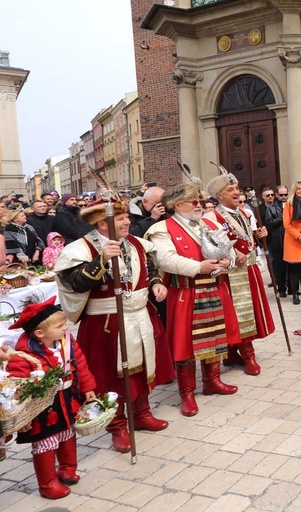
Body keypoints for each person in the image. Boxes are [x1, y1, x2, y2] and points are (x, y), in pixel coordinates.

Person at [54, 198, 174, 452]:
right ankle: (117, 425)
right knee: (110, 374)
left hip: (141, 314)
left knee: (142, 366)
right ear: (102, 223)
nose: (128, 222)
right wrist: (100, 260)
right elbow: (74, 284)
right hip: (106, 322)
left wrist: (155, 284)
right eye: (120, 219)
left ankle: (141, 413)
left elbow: (149, 268)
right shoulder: (79, 249)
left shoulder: (136, 243)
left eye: (127, 217)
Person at [145, 182, 240, 416]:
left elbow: (228, 249)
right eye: (194, 202)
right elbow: (165, 260)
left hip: (214, 288)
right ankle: (186, 393)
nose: (199, 206)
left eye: (200, 202)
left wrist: (230, 261)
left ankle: (212, 381)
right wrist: (199, 266)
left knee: (216, 336)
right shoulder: (162, 229)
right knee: (185, 344)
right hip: (186, 292)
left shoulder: (210, 222)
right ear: (177, 205)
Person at [6, 296, 97, 499]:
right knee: (45, 441)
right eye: (60, 326)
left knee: (67, 433)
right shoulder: (25, 354)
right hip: (42, 406)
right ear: (40, 333)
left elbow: (80, 363)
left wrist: (88, 386)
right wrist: (22, 415)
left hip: (67, 396)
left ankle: (67, 468)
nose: (66, 328)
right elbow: (17, 384)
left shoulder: (67, 342)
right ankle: (47, 484)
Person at [205, 173, 275, 376]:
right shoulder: (212, 218)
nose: (236, 193)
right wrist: (233, 255)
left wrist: (259, 235)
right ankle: (246, 354)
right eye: (230, 190)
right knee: (239, 314)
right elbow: (213, 245)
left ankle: (232, 351)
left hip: (249, 270)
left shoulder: (244, 213)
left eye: (237, 189)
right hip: (233, 274)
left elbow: (246, 238)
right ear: (219, 195)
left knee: (252, 310)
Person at [263, 185, 288, 297]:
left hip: (290, 239)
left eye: (285, 194)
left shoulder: (291, 205)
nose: (284, 197)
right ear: (277, 195)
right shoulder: (271, 208)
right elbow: (269, 223)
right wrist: (282, 217)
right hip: (278, 240)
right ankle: (281, 288)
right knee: (279, 266)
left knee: (291, 265)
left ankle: (292, 288)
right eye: (281, 195)